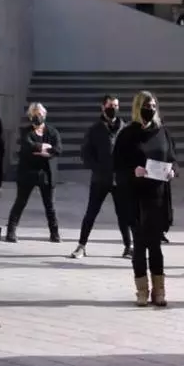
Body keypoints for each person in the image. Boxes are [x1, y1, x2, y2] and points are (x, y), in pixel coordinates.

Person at [113, 91, 177, 307]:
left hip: (157, 197)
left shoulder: (163, 132)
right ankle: (142, 290)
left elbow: (173, 159)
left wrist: (172, 172)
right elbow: (118, 166)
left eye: (153, 105)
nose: (150, 108)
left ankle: (159, 291)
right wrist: (134, 171)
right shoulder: (127, 134)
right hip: (135, 197)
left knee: (156, 246)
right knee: (139, 245)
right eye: (146, 105)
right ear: (138, 107)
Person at [69, 95, 133, 259]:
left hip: (119, 179)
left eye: (116, 105)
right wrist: (98, 168)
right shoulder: (95, 129)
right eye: (111, 105)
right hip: (100, 179)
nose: (114, 108)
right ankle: (81, 246)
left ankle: (129, 246)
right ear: (103, 107)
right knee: (91, 213)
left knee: (123, 214)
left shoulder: (124, 128)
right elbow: (86, 153)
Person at [5, 103, 62, 243]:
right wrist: (43, 147)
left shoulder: (52, 131)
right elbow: (27, 145)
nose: (38, 116)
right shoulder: (26, 131)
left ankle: (54, 233)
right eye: (35, 113)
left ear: (45, 114)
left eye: (41, 113)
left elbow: (58, 149)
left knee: (50, 205)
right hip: (28, 172)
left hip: (46, 173)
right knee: (20, 202)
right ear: (30, 116)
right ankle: (11, 231)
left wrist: (41, 151)